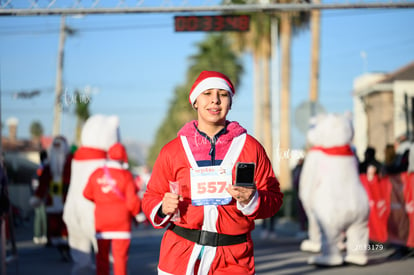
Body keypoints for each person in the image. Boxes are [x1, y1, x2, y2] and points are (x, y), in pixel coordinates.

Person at [142, 70, 284, 275]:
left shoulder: (250, 147)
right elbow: (151, 196)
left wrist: (253, 198)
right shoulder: (173, 150)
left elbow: (274, 198)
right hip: (180, 255)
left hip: (233, 258)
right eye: (207, 93)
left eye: (223, 94)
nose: (215, 100)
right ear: (195, 102)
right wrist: (162, 207)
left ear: (230, 102)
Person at [83, 143, 141, 275]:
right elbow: (132, 202)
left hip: (102, 223)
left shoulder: (97, 173)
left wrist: (101, 201)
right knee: (120, 259)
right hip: (121, 223)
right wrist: (138, 213)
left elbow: (86, 193)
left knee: (102, 258)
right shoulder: (126, 175)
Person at [30, 150, 50, 245]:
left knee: (40, 216)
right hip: (42, 196)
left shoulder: (38, 169)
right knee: (42, 216)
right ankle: (42, 235)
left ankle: (39, 236)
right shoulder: (42, 169)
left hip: (38, 195)